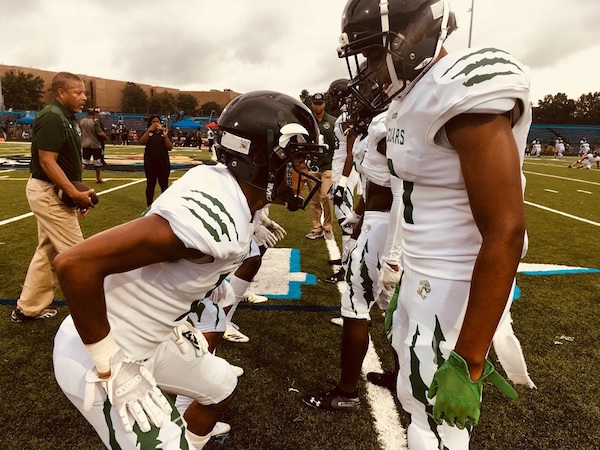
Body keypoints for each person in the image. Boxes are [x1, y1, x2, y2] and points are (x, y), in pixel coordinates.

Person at [52, 90, 327, 450]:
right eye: (298, 161)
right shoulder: (216, 219)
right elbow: (74, 264)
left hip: (151, 339)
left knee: (222, 385)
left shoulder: (236, 194)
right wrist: (111, 362)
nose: (307, 173)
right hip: (102, 355)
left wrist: (248, 230)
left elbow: (184, 265)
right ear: (260, 158)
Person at [339, 1, 529, 448]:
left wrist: (469, 361)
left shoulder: (458, 87)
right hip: (423, 274)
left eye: (371, 54)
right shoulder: (413, 97)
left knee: (435, 424)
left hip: (454, 280)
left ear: (409, 38)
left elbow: (505, 228)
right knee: (411, 393)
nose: (368, 70)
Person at [303, 101, 395, 411]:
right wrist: (357, 219)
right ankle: (400, 376)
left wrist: (380, 236)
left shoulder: (386, 127)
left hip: (388, 225)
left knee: (356, 305)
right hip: (385, 222)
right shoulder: (383, 124)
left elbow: (397, 190)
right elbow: (372, 189)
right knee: (392, 307)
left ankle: (347, 391)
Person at [11, 72, 95, 323]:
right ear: (61, 93)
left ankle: (28, 308)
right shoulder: (51, 117)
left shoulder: (67, 118)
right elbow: (47, 162)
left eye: (84, 92)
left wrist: (75, 194)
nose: (84, 97)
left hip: (56, 192)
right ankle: (97, 314)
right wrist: (73, 194)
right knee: (79, 255)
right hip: (49, 192)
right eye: (78, 92)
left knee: (47, 253)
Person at [305, 92, 338, 240]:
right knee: (315, 199)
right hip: (312, 166)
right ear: (312, 104)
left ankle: (328, 227)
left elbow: (337, 145)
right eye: (315, 103)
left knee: (327, 196)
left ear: (324, 104)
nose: (317, 106)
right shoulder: (307, 122)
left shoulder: (332, 122)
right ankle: (316, 227)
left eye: (320, 103)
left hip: (328, 165)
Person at [139, 115, 173, 207]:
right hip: (150, 163)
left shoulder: (164, 133)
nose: (155, 124)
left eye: (157, 121)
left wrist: (165, 136)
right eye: (153, 122)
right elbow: (142, 141)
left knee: (164, 185)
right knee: (150, 184)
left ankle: (165, 204)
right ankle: (149, 204)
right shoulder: (148, 132)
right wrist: (149, 130)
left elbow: (170, 147)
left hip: (163, 162)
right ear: (150, 123)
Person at [81, 108, 108, 183]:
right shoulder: (95, 122)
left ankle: (77, 176)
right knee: (97, 162)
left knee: (84, 161)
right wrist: (105, 137)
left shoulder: (82, 121)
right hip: (95, 144)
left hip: (85, 143)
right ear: (94, 114)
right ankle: (98, 178)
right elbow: (100, 133)